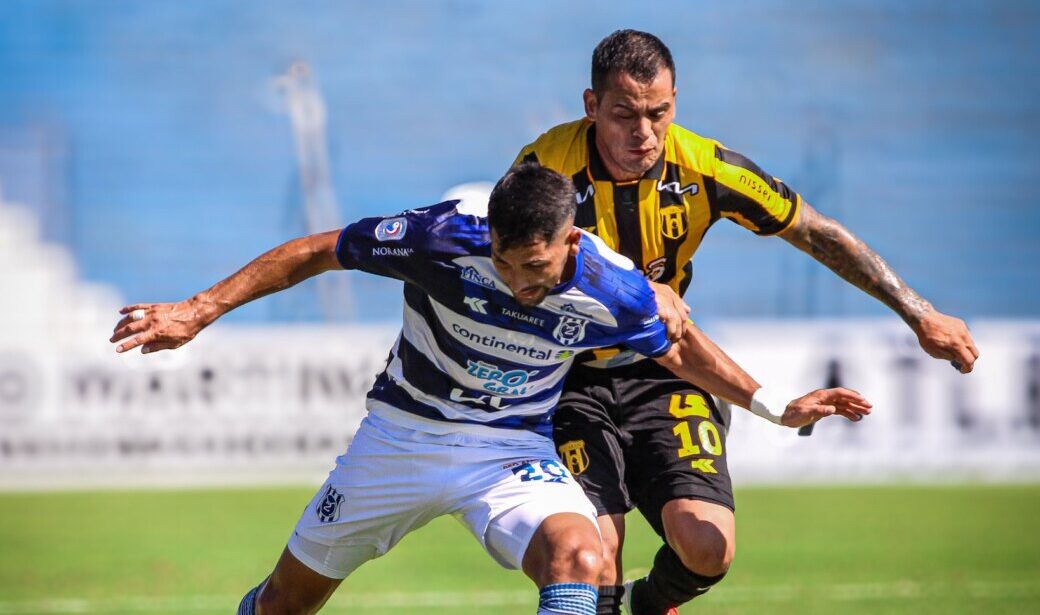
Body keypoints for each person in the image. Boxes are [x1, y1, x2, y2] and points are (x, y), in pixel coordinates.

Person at [110, 164, 869, 615]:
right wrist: (195, 311)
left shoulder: (618, 291)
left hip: (510, 450)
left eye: (533, 271)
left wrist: (773, 406)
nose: (516, 284)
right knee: (284, 603)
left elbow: (679, 348)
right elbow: (319, 250)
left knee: (581, 555)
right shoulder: (443, 235)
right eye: (504, 263)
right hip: (401, 437)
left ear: (571, 242)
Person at [513, 30, 980, 615]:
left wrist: (920, 312)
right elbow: (512, 267)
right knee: (594, 553)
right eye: (623, 114)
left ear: (675, 101)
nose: (643, 133)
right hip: (571, 379)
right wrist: (627, 286)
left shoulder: (705, 167)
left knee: (708, 548)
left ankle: (651, 603)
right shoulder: (545, 168)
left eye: (658, 113)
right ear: (591, 107)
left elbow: (815, 231)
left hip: (669, 368)